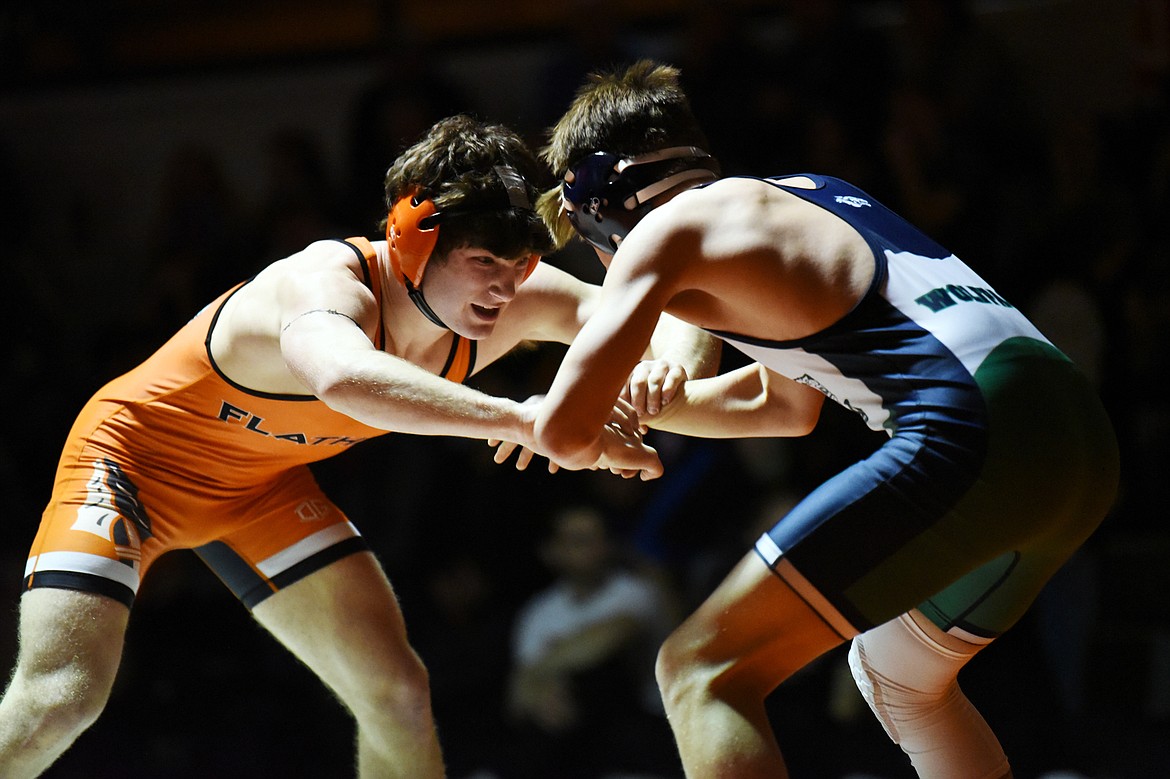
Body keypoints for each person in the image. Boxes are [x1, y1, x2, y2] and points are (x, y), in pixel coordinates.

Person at [0, 114, 718, 778]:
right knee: (62, 698)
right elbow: (345, 377)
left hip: (260, 487)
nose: (506, 286)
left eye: (520, 265)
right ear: (413, 237)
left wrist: (667, 367)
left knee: (398, 691)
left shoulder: (514, 293)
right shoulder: (323, 281)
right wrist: (524, 421)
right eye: (483, 262)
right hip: (133, 462)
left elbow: (665, 307)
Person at [529, 61, 1120, 778]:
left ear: (603, 204)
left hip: (976, 427)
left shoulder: (664, 232)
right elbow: (778, 406)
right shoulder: (808, 200)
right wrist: (648, 401)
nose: (598, 261)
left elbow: (562, 430)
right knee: (896, 673)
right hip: (1075, 434)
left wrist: (524, 409)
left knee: (700, 668)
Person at [505, 504, 677, 778]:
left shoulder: (636, 591)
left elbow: (611, 637)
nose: (591, 548)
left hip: (643, 727)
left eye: (596, 539)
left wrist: (536, 672)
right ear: (553, 551)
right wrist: (539, 697)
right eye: (577, 541)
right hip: (570, 735)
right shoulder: (537, 613)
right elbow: (518, 698)